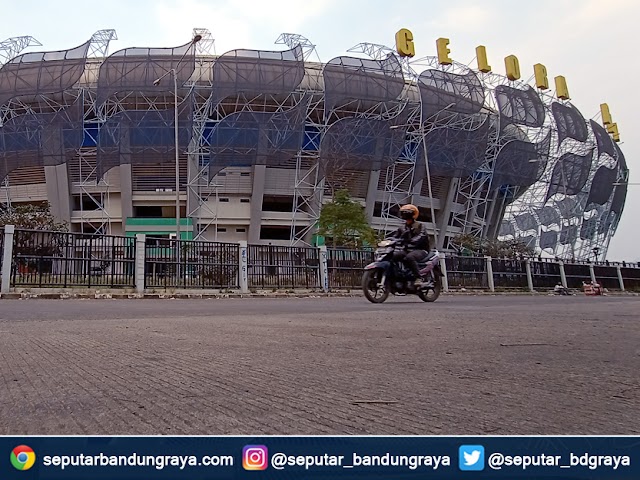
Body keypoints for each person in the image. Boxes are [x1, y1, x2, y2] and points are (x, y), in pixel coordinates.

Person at [388, 204, 430, 287]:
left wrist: (412, 241)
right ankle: (397, 276)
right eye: (403, 213)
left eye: (407, 213)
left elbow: (421, 236)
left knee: (410, 257)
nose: (404, 215)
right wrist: (388, 241)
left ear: (413, 214)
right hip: (407, 249)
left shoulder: (420, 226)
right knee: (392, 256)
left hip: (421, 250)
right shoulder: (402, 228)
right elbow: (395, 236)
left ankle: (418, 278)